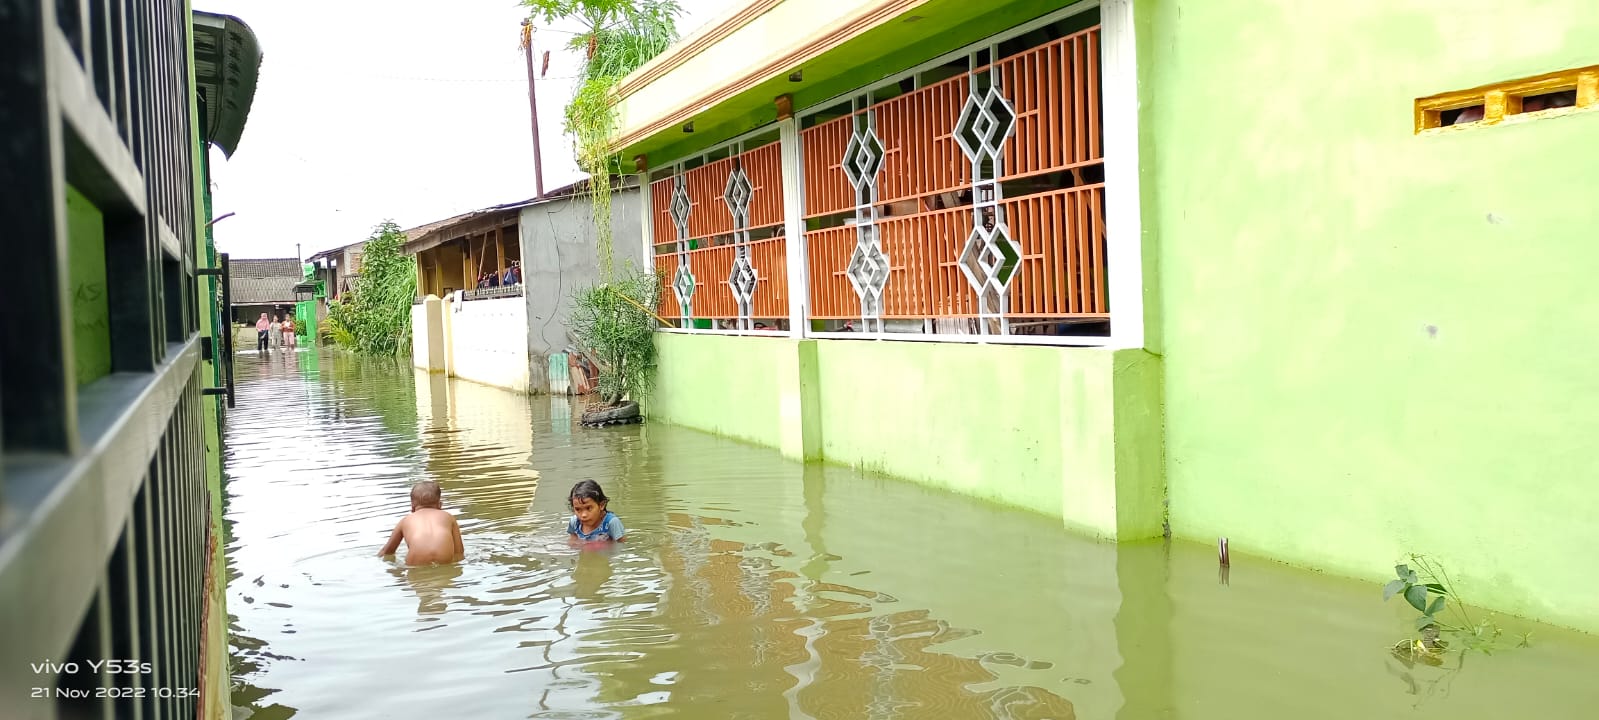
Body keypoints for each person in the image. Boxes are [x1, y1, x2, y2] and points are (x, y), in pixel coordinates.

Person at [378, 481, 465, 566]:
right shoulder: (449, 517)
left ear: (412, 507)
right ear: (440, 505)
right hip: (444, 559)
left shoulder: (405, 520)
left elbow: (387, 552)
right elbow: (459, 552)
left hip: (415, 561)